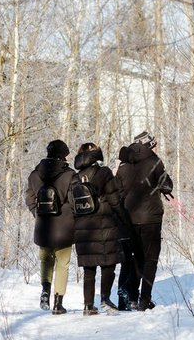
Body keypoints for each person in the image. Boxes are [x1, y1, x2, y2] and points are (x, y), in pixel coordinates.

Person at [115, 131, 172, 310]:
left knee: (136, 258)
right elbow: (167, 185)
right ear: (149, 145)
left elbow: (116, 191)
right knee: (150, 259)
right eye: (154, 145)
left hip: (129, 219)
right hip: (151, 218)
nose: (156, 147)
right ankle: (144, 299)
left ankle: (132, 297)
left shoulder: (123, 166)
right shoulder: (154, 162)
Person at [24, 139, 78, 315]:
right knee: (62, 264)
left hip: (43, 226)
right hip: (64, 226)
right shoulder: (70, 175)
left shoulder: (34, 175)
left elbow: (29, 198)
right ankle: (58, 303)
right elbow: (74, 200)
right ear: (63, 155)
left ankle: (45, 290)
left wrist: (37, 213)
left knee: (46, 260)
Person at [73, 142, 124, 316]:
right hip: (104, 225)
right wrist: (124, 219)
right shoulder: (104, 173)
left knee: (89, 268)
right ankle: (105, 299)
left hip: (82, 228)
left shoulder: (75, 177)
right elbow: (115, 200)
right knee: (108, 264)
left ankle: (88, 305)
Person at [114, 145, 144, 310]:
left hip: (120, 225)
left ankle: (123, 299)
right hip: (132, 224)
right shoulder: (133, 173)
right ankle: (131, 296)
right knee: (134, 262)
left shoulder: (117, 174)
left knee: (126, 262)